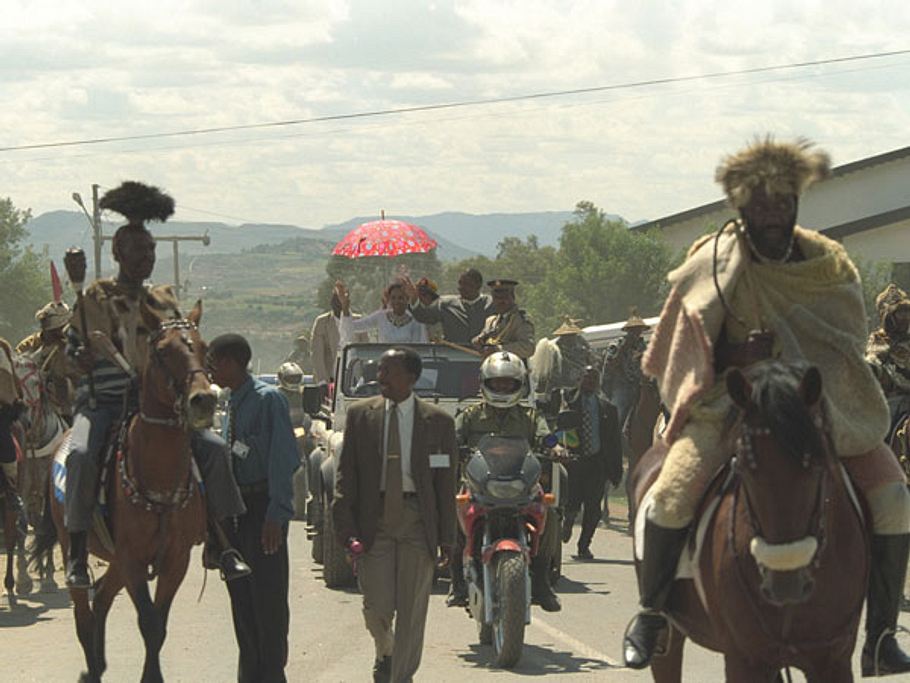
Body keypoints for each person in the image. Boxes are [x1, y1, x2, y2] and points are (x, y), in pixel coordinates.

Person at [622, 138, 910, 677]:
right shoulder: (712, 262)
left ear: (796, 204)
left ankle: (880, 635)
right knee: (666, 498)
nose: (773, 214)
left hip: (821, 405)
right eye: (761, 204)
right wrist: (737, 357)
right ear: (742, 207)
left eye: (783, 202)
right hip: (732, 405)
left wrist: (798, 369)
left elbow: (845, 342)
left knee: (894, 495)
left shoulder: (828, 263)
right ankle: (652, 614)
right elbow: (688, 347)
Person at [62, 181, 250, 589]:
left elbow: (184, 345)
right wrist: (81, 359)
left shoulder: (163, 300)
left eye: (150, 251)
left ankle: (223, 541)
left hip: (159, 405)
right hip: (104, 403)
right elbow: (69, 354)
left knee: (214, 449)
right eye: (138, 251)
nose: (146, 258)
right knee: (80, 454)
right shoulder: (93, 298)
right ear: (118, 253)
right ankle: (76, 552)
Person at [332, 347, 456, 683]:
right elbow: (346, 476)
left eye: (388, 371)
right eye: (380, 370)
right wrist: (345, 528)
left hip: (418, 521)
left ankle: (400, 677)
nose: (380, 377)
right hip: (375, 521)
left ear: (411, 378)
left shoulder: (439, 422)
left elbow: (446, 484)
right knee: (377, 605)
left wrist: (447, 538)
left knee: (412, 610)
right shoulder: (361, 415)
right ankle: (385, 649)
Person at [208, 333, 300, 683]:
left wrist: (276, 515)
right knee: (243, 603)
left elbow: (283, 460)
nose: (210, 371)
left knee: (268, 603)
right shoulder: (231, 403)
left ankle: (272, 674)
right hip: (237, 511)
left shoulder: (268, 399)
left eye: (214, 364)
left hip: (263, 510)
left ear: (231, 363)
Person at [452, 350, 563, 612]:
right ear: (484, 383)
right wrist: (449, 447)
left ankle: (541, 581)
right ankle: (457, 583)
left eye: (508, 384)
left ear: (519, 385)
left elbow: (545, 436)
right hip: (479, 484)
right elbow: (452, 437)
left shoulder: (531, 417)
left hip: (520, 484)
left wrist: (555, 448)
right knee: (452, 512)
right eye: (497, 383)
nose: (502, 388)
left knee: (549, 515)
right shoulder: (469, 415)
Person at [560, 366, 622, 558]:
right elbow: (554, 428)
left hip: (597, 463)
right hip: (572, 462)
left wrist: (615, 471)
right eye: (586, 377)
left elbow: (614, 442)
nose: (590, 381)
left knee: (593, 509)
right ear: (579, 379)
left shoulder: (608, 409)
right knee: (571, 502)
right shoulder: (566, 401)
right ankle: (568, 522)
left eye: (594, 378)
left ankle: (584, 546)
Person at [17, 300, 74, 422]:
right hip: (34, 398)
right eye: (54, 331)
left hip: (66, 402)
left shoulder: (72, 345)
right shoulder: (29, 345)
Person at [406, 268, 495, 345]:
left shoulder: (491, 304)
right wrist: (414, 298)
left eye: (466, 284)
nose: (461, 287)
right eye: (460, 283)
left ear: (478, 285)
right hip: (452, 355)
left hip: (484, 356)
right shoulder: (445, 303)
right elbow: (424, 316)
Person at [530, 317, 598, 418]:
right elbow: (547, 373)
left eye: (572, 335)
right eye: (568, 336)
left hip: (579, 389)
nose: (571, 338)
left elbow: (590, 364)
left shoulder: (582, 347)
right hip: (558, 391)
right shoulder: (552, 350)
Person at [866, 284, 910, 437]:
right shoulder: (877, 342)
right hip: (893, 401)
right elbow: (872, 368)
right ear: (888, 316)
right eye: (900, 312)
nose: (906, 317)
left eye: (907, 312)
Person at [336, 280, 428, 346]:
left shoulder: (415, 320)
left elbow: (420, 347)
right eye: (393, 298)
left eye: (400, 298)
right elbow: (353, 327)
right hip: (385, 364)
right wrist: (345, 307)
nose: (396, 301)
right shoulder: (381, 316)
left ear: (407, 299)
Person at [602, 311, 650, 431]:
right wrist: (623, 348)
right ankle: (613, 434)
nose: (636, 333)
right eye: (633, 330)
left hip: (640, 386)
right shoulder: (615, 345)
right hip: (622, 386)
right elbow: (610, 366)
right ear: (628, 331)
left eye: (638, 329)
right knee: (619, 413)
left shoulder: (644, 346)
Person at [310, 291, 368, 385]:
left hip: (357, 378)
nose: (336, 303)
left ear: (347, 302)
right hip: (332, 379)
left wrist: (365, 378)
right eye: (334, 300)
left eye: (340, 300)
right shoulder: (322, 322)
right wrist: (322, 381)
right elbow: (317, 354)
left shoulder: (359, 321)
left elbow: (366, 352)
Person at [472, 279, 535, 359]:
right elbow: (479, 341)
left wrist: (498, 349)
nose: (500, 301)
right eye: (496, 297)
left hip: (514, 365)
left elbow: (528, 348)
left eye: (504, 297)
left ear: (513, 297)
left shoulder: (521, 319)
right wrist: (478, 341)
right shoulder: (491, 321)